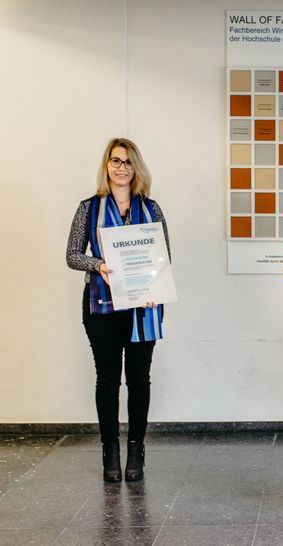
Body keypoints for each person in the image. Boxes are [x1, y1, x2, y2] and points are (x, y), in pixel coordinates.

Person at [66, 138, 169, 482]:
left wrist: (156, 286)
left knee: (139, 379)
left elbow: (162, 257)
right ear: (106, 165)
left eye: (128, 162)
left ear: (136, 167)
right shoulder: (88, 208)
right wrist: (99, 266)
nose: (122, 167)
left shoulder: (151, 209)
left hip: (144, 305)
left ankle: (136, 451)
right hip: (102, 307)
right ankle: (110, 450)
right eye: (115, 161)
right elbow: (72, 255)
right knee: (108, 379)